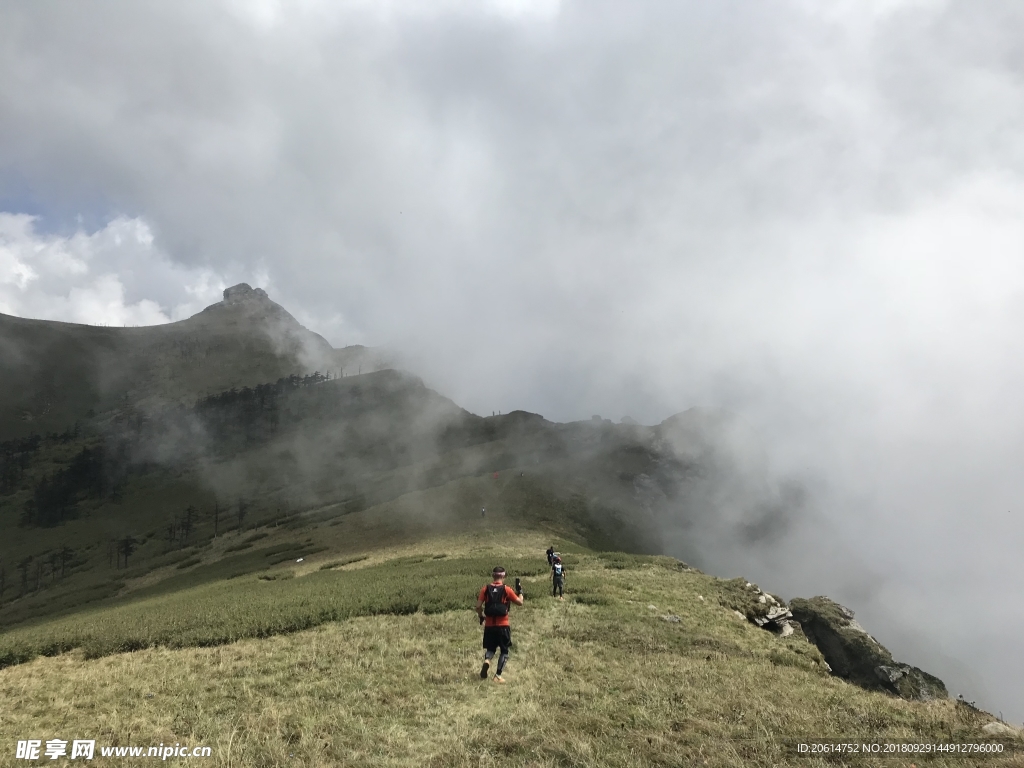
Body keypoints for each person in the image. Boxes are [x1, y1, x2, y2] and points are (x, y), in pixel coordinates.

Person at [475, 566, 524, 683]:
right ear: (503, 576)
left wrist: (481, 616)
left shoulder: (485, 589)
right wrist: (521, 592)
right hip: (503, 625)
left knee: (491, 648)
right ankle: (497, 676)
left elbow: (478, 607)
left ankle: (487, 660)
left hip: (489, 625)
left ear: (493, 576)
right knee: (504, 650)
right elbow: (520, 602)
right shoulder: (507, 589)